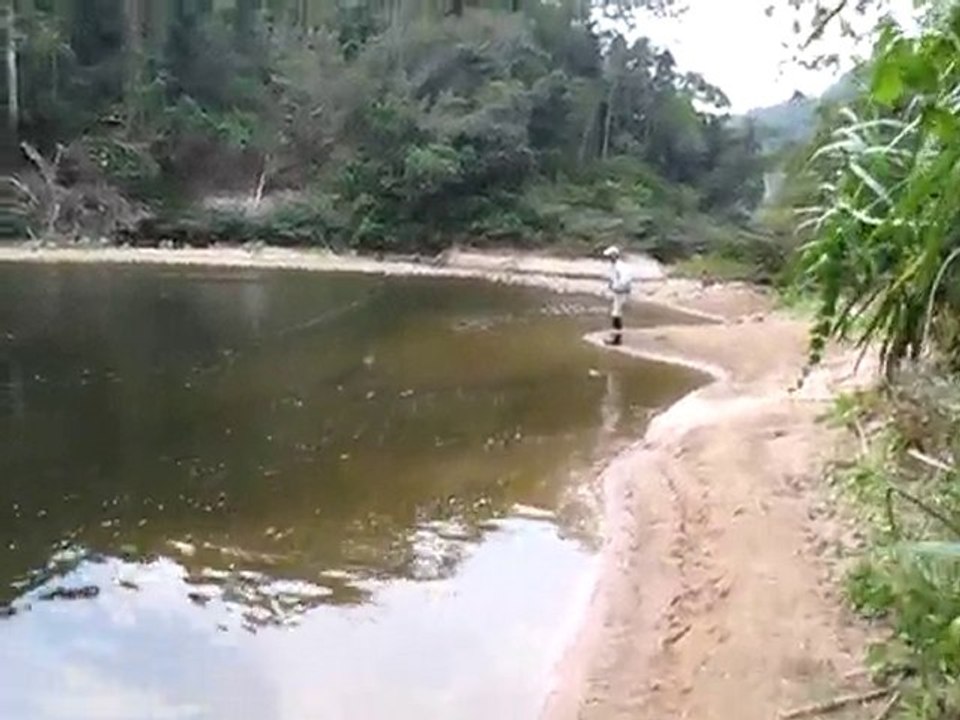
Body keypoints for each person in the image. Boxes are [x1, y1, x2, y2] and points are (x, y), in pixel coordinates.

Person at [603, 245, 632, 346]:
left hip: (621, 292)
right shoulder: (614, 266)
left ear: (614, 255)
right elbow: (614, 278)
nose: (609, 258)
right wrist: (612, 285)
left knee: (616, 313)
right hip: (618, 292)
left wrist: (618, 286)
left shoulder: (621, 266)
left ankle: (616, 339)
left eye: (610, 256)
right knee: (616, 312)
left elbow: (626, 279)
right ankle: (616, 337)